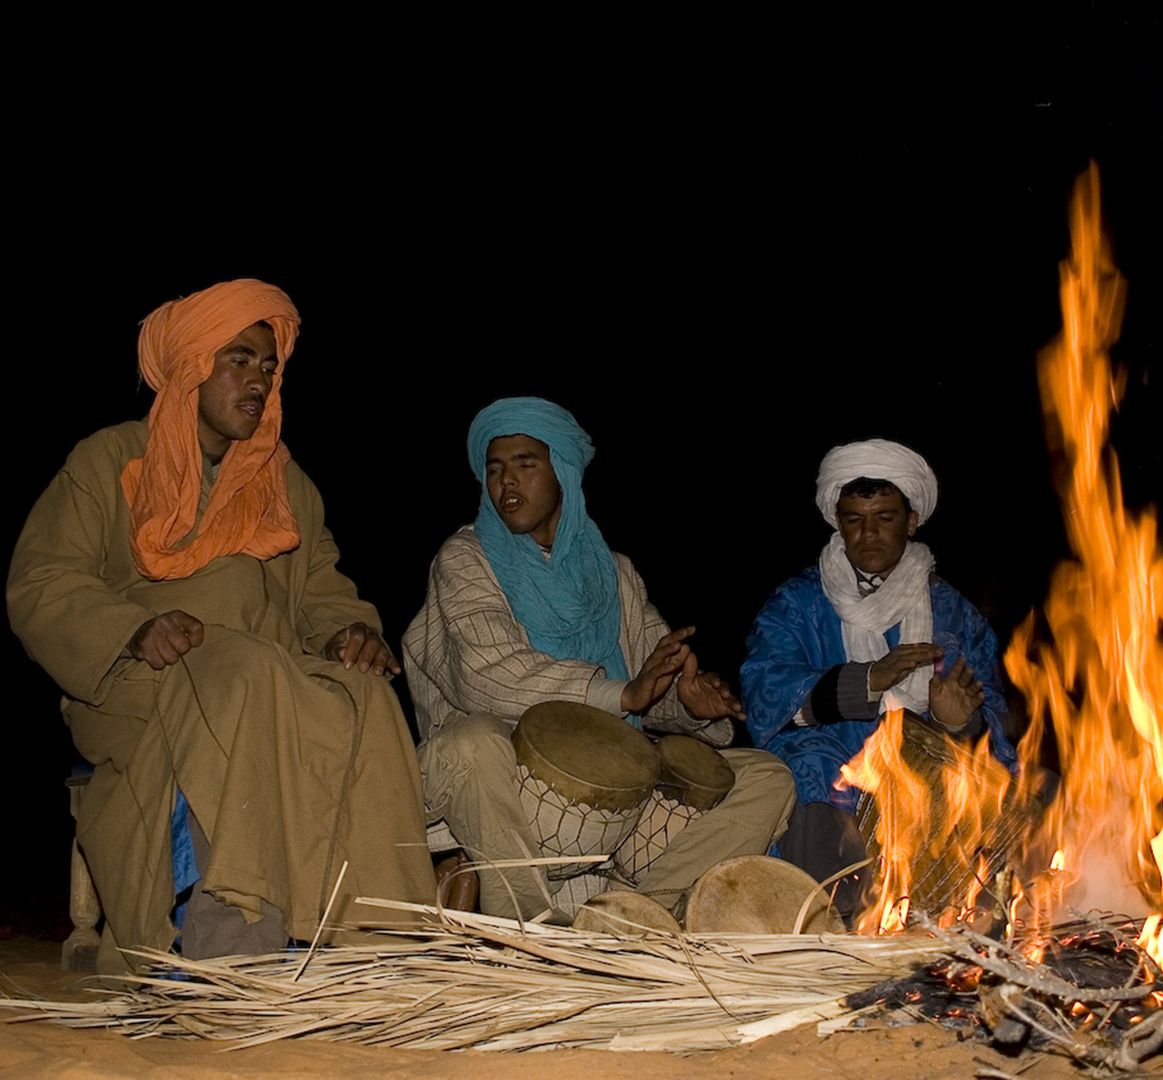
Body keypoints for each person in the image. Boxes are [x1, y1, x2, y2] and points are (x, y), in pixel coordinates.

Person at [6, 280, 435, 972]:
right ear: (191, 368)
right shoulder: (108, 461)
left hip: (263, 674)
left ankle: (378, 944)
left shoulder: (284, 482)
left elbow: (322, 590)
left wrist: (347, 632)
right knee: (246, 675)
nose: (259, 380)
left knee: (363, 696)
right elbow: (42, 582)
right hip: (138, 680)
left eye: (269, 367)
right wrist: (131, 627)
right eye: (239, 360)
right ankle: (228, 939)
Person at [405, 397, 796, 922]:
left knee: (767, 778)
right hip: (494, 784)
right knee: (476, 742)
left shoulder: (614, 574)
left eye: (525, 463)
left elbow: (648, 688)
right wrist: (621, 693)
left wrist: (687, 705)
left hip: (605, 792)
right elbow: (484, 676)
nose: (506, 483)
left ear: (562, 470)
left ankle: (629, 918)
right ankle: (527, 932)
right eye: (494, 469)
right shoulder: (466, 558)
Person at [740, 438, 1017, 909]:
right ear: (838, 522)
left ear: (911, 521)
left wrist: (958, 720)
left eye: (885, 518)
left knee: (1023, 789)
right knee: (808, 770)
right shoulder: (797, 603)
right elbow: (764, 690)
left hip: (932, 764)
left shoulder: (954, 614)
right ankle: (831, 925)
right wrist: (866, 680)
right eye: (855, 520)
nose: (868, 534)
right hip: (837, 759)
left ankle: (965, 928)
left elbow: (991, 707)